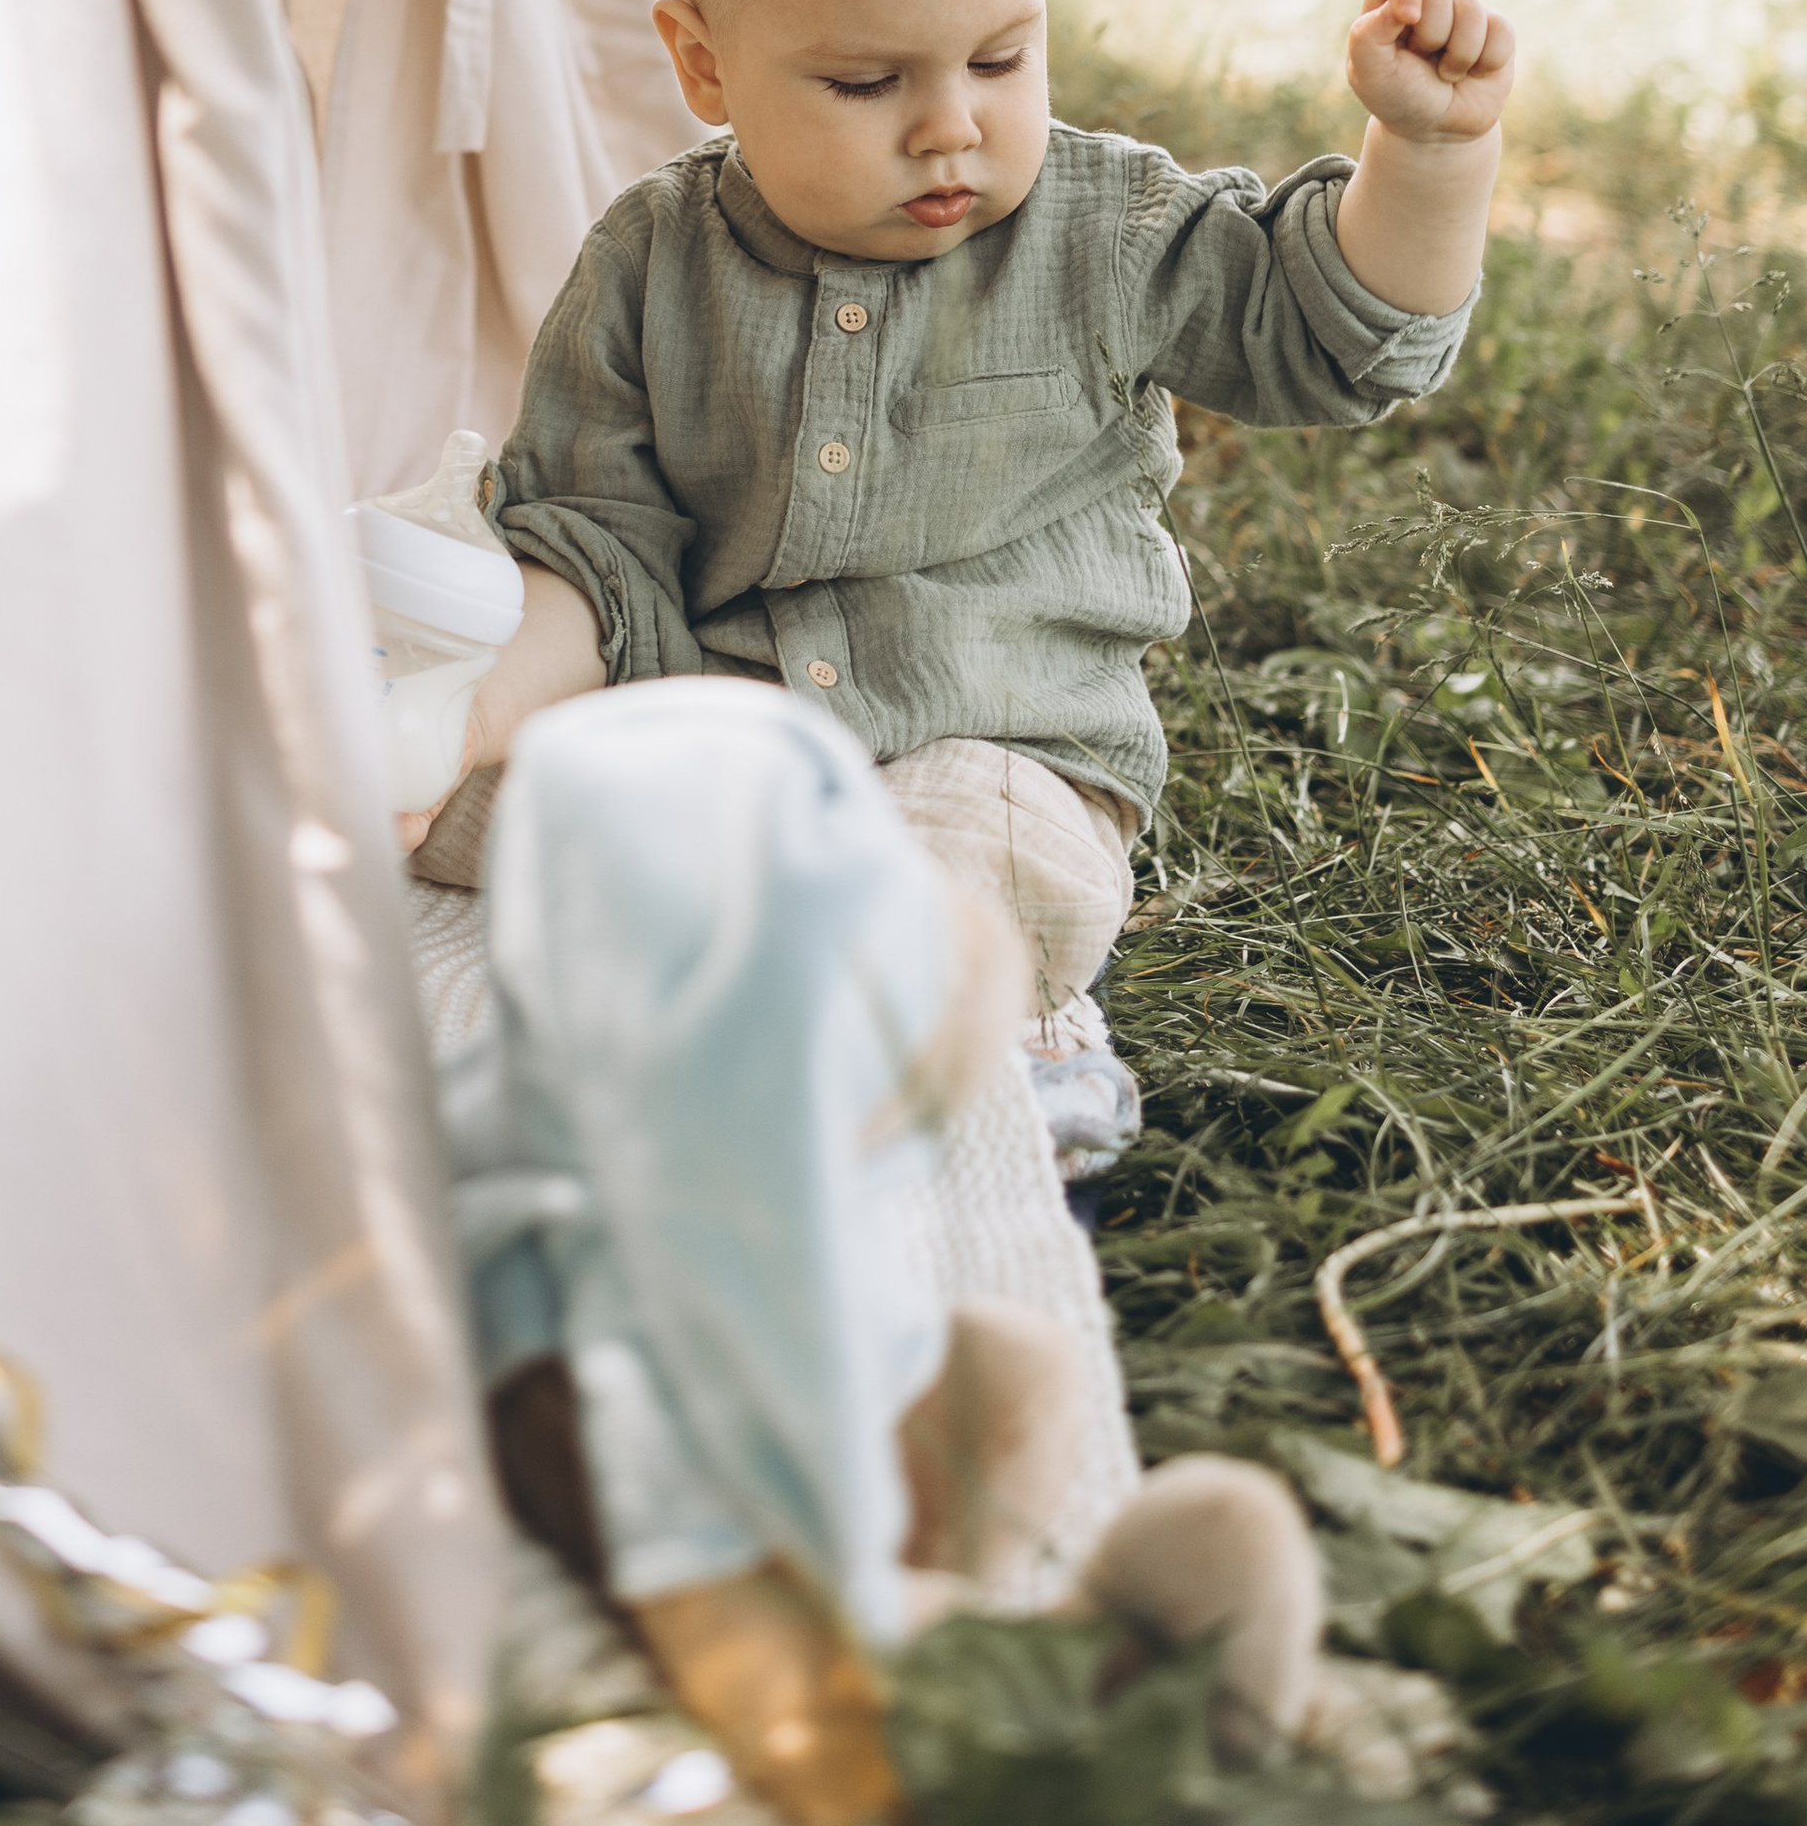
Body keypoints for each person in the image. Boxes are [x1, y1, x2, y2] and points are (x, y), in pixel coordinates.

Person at [405, 0, 1516, 1032]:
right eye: (864, 84)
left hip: (995, 745)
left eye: (998, 58)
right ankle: (729, 918)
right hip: (724, 740)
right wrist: (474, 718)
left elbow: (1334, 339)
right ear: (705, 64)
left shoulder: (1104, 230)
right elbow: (594, 548)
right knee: (438, 794)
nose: (951, 127)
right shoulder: (649, 260)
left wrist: (1432, 155)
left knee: (967, 876)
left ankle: (835, 1010)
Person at [451, 679, 1324, 1826]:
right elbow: (711, 1571)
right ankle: (1047, 1694)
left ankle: (959, 1599)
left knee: (1010, 1363)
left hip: (827, 1483)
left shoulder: (572, 1104)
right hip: (752, 1606)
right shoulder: (638, 1305)